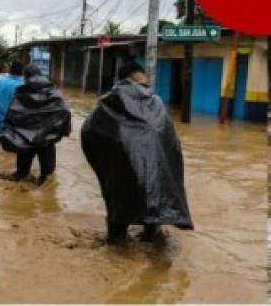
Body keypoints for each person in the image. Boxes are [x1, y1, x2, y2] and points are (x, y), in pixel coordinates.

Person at [81, 62, 193, 243]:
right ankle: (152, 238)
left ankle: (116, 246)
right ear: (138, 77)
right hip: (153, 173)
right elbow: (172, 144)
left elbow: (89, 132)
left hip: (119, 170)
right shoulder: (156, 103)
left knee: (118, 207)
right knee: (153, 206)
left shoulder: (107, 102)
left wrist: (105, 165)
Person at [0, 63, 72, 184]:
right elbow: (65, 112)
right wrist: (58, 133)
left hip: (24, 140)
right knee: (47, 179)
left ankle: (20, 184)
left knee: (20, 174)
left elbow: (11, 115)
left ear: (25, 77)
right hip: (47, 141)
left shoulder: (20, 93)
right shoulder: (55, 93)